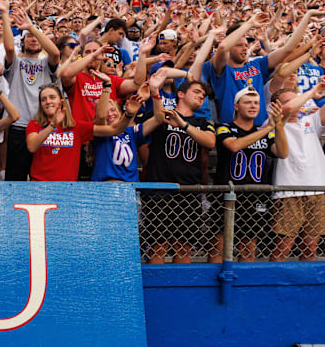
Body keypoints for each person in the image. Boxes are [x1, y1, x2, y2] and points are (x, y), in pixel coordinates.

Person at [209, 87, 288, 263]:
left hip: (254, 196)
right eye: (247, 102)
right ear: (236, 106)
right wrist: (268, 128)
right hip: (226, 195)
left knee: (248, 249)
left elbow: (282, 153)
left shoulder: (267, 133)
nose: (253, 106)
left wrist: (279, 124)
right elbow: (234, 146)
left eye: (256, 103)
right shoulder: (224, 127)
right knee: (218, 248)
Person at [142, 81, 216, 264]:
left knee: (184, 248)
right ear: (181, 94)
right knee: (158, 248)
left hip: (188, 191)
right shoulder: (162, 116)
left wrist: (183, 125)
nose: (201, 96)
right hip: (159, 189)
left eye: (203, 95)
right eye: (197, 92)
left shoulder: (203, 122)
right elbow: (140, 138)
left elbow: (210, 142)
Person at [0, 0, 61, 181]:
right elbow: (8, 49)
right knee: (16, 178)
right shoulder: (15, 63)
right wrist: (5, 13)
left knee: (44, 177)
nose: (33, 39)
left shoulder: (47, 63)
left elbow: (55, 53)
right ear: (22, 41)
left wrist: (32, 26)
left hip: (44, 126)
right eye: (28, 36)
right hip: (19, 126)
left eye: (36, 37)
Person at [26, 84, 141, 181]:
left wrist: (128, 115)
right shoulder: (34, 125)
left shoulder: (77, 127)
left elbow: (114, 130)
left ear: (61, 100)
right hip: (39, 186)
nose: (48, 102)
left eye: (52, 97)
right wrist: (52, 125)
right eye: (43, 99)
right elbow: (32, 146)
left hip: (67, 190)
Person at [269, 83, 325, 261]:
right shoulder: (272, 123)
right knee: (283, 248)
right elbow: (287, 110)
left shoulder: (310, 120)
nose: (296, 104)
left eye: (296, 99)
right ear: (275, 105)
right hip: (289, 192)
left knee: (310, 248)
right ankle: (274, 285)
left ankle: (306, 287)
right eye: (288, 101)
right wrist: (311, 93)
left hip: (318, 190)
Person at [91, 69, 167, 182]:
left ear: (118, 111)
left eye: (112, 110)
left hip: (129, 190)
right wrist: (107, 86)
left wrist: (155, 91)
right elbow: (101, 117)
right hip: (105, 190)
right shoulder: (99, 133)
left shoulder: (131, 132)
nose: (110, 114)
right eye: (106, 111)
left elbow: (159, 118)